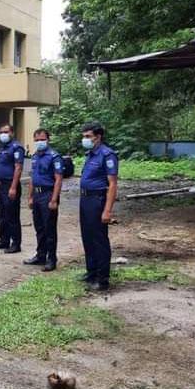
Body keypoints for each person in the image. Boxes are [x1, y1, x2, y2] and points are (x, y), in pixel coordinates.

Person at [79, 122, 118, 291]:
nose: (85, 139)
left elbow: (112, 184)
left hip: (98, 200)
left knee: (99, 240)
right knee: (87, 237)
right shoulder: (90, 154)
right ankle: (91, 272)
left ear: (98, 136)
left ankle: (103, 278)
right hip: (85, 200)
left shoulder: (107, 155)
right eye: (84, 136)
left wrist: (107, 210)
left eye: (88, 136)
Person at [23, 129, 63, 272]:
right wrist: (30, 197)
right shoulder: (34, 157)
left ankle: (51, 259)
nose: (39, 142)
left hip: (48, 194)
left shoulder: (54, 156)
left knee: (49, 228)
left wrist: (54, 199)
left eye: (42, 139)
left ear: (48, 139)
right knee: (39, 227)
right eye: (37, 140)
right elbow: (32, 178)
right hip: (37, 195)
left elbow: (58, 179)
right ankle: (40, 255)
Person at [0, 124, 24, 253]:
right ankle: (4, 240)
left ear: (12, 133)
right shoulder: (2, 148)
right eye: (1, 132)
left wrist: (13, 187)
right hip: (1, 185)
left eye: (6, 131)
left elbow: (18, 168)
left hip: (11, 185)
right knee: (2, 215)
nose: (3, 134)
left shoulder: (16, 147)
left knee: (12, 216)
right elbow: (0, 165)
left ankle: (15, 244)